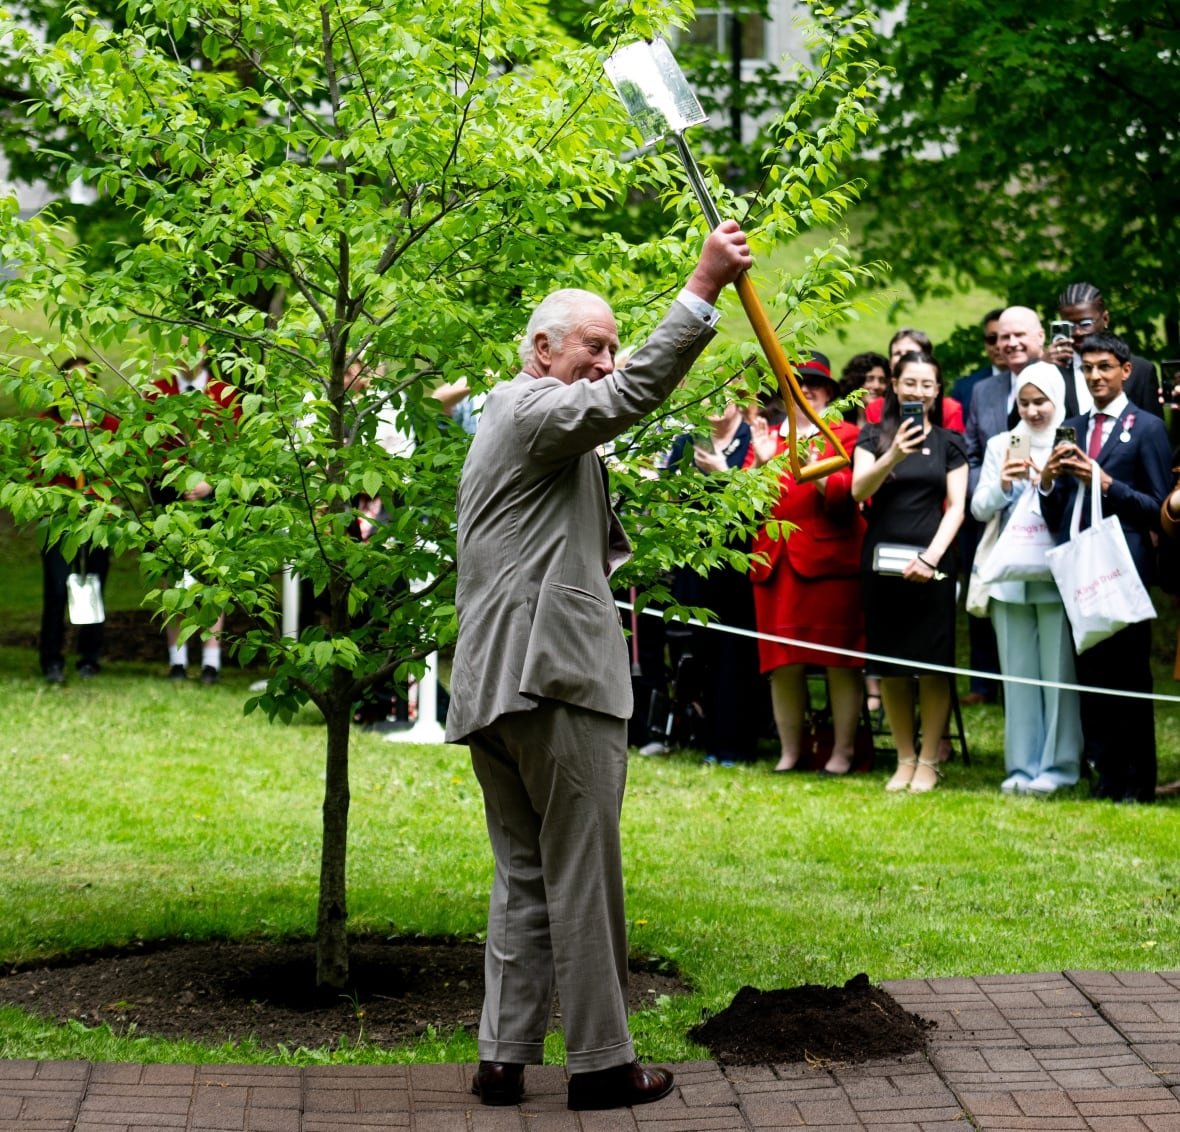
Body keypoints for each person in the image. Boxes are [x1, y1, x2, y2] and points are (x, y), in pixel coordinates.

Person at [445, 221, 752, 1110]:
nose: (610, 359)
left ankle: (502, 1061)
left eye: (615, 345)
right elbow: (633, 398)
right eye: (594, 345)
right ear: (540, 351)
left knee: (525, 873)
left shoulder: (515, 421)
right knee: (582, 870)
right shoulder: (534, 409)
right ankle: (603, 1067)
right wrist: (703, 286)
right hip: (554, 682)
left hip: (497, 687)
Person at [1039, 332, 1171, 803]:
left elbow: (1158, 508)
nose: (1095, 376)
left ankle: (1138, 782)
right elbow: (1054, 513)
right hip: (1080, 562)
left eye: (1104, 367)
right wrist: (1049, 481)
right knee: (1090, 673)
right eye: (1087, 368)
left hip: (1125, 563)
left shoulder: (1148, 427)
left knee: (1129, 673)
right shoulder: (1070, 426)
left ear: (1125, 370)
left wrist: (1107, 481)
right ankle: (1105, 775)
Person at [852, 351, 968, 793]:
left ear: (937, 391)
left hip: (933, 563)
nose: (918, 390)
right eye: (910, 383)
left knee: (934, 665)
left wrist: (932, 558)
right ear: (895, 387)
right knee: (893, 662)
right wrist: (893, 455)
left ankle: (929, 759)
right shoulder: (872, 437)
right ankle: (904, 758)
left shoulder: (949, 443)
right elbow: (858, 490)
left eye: (927, 384)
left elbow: (957, 507)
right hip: (882, 565)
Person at [749, 353, 865, 774]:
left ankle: (842, 752)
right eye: (796, 387)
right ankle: (790, 751)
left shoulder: (845, 434)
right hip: (775, 567)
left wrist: (811, 464)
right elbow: (744, 507)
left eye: (813, 387)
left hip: (829, 565)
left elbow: (846, 496)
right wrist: (761, 464)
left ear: (829, 394)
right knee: (782, 664)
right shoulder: (767, 438)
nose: (804, 394)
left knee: (839, 659)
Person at [970, 362, 1081, 795]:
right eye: (1025, 401)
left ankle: (1060, 766)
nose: (1033, 411)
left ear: (1058, 399)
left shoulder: (1070, 439)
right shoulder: (1006, 442)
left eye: (1041, 401)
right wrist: (1000, 483)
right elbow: (980, 509)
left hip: (1057, 571)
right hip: (1010, 572)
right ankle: (1021, 767)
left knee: (1058, 673)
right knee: (1017, 675)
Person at [661, 401, 764, 765]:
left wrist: (723, 473)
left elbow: (761, 502)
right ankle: (705, 738)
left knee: (736, 657)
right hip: (695, 564)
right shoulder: (687, 441)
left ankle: (737, 745)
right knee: (700, 653)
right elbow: (671, 498)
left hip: (740, 564)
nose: (715, 405)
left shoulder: (753, 439)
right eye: (708, 397)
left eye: (724, 396)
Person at [147, 345, 241, 683]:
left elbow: (238, 454)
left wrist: (211, 485)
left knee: (212, 582)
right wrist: (173, 483)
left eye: (194, 347)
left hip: (213, 505)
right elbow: (147, 453)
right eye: (179, 346)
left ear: (206, 351)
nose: (186, 354)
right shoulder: (157, 394)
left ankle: (211, 663)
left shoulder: (225, 395)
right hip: (170, 503)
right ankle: (177, 661)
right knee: (173, 581)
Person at [36, 358, 119, 684]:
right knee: (57, 588)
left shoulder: (107, 425)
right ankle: (52, 659)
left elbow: (119, 473)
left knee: (94, 584)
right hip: (60, 521)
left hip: (97, 521)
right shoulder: (47, 424)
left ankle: (89, 656)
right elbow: (37, 475)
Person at [1043, 283, 1162, 417]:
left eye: (1086, 324)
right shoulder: (1051, 368)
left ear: (1105, 319)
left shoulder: (1141, 371)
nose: (1077, 332)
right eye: (1070, 326)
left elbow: (1153, 430)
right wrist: (1041, 367)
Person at [864, 329, 964, 431]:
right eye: (897, 353)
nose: (902, 359)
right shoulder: (876, 408)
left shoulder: (949, 409)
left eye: (910, 353)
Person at [951, 309, 1007, 413]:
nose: (998, 345)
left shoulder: (1035, 381)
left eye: (1005, 338)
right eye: (992, 339)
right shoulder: (966, 387)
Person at [838, 351, 889, 426]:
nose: (876, 386)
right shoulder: (841, 421)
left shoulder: (893, 420)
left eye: (882, 380)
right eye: (870, 379)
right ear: (855, 382)